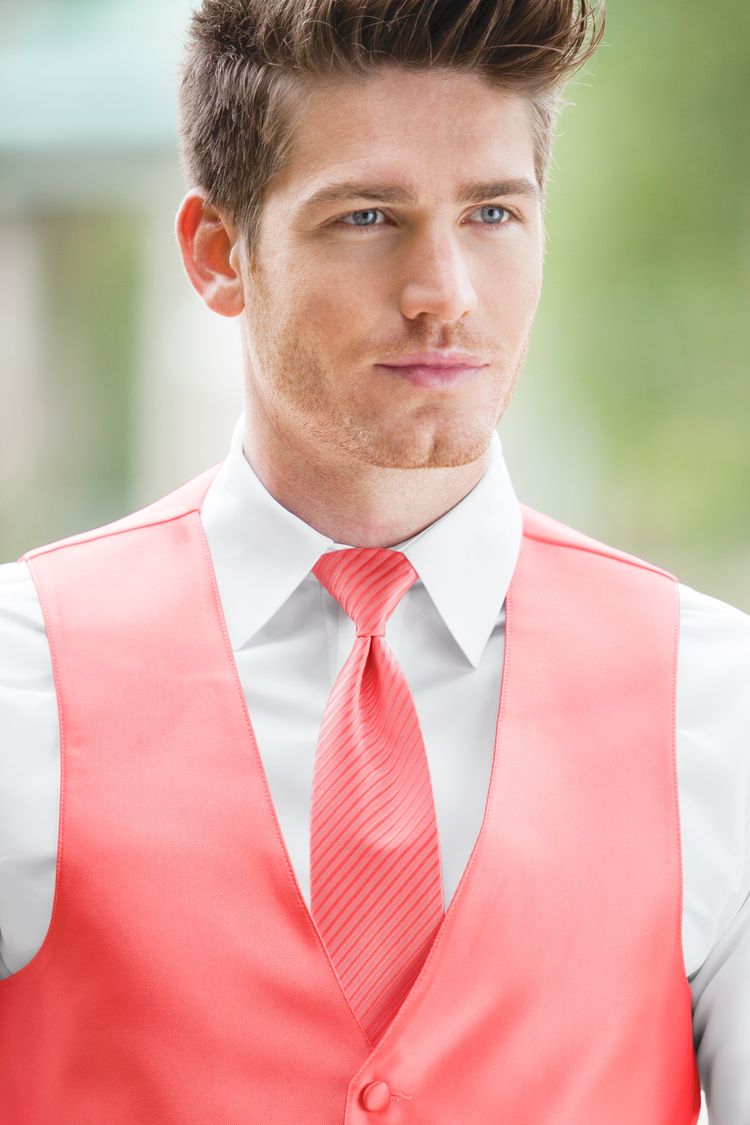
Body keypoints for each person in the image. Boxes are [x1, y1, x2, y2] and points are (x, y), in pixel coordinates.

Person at [0, 0, 747, 1121]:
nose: (444, 290)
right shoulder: (21, 687)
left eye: (493, 212)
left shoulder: (718, 699)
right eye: (365, 217)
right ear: (217, 254)